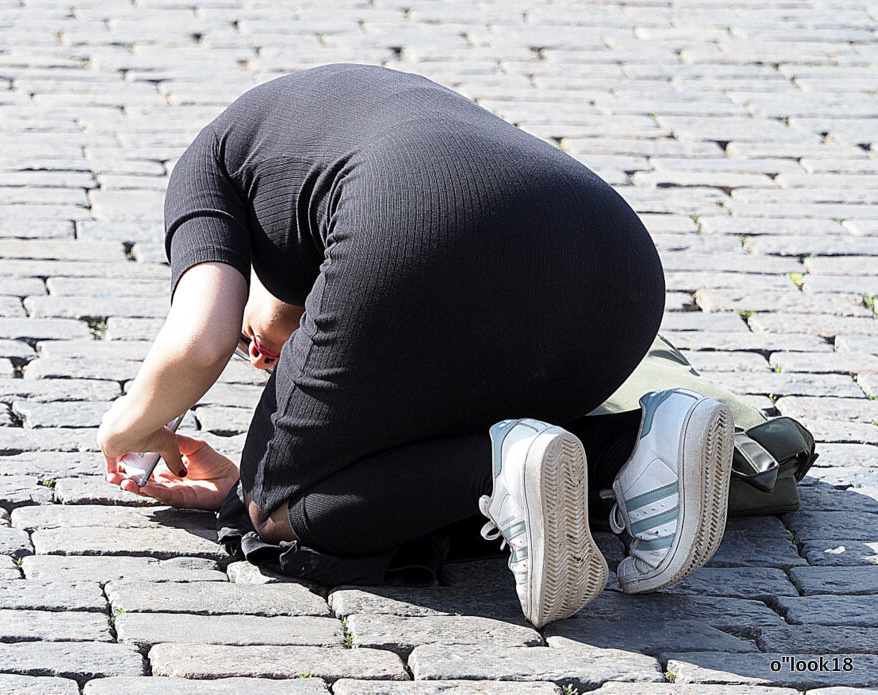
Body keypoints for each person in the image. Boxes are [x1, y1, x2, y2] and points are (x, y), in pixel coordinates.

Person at [97, 63, 735, 628]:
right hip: (618, 268)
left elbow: (199, 337)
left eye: (248, 338)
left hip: (420, 231)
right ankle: (640, 442)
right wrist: (234, 482)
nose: (258, 356)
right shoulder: (327, 111)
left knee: (278, 511)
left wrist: (135, 422)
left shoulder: (206, 163)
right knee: (501, 448)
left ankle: (500, 465)